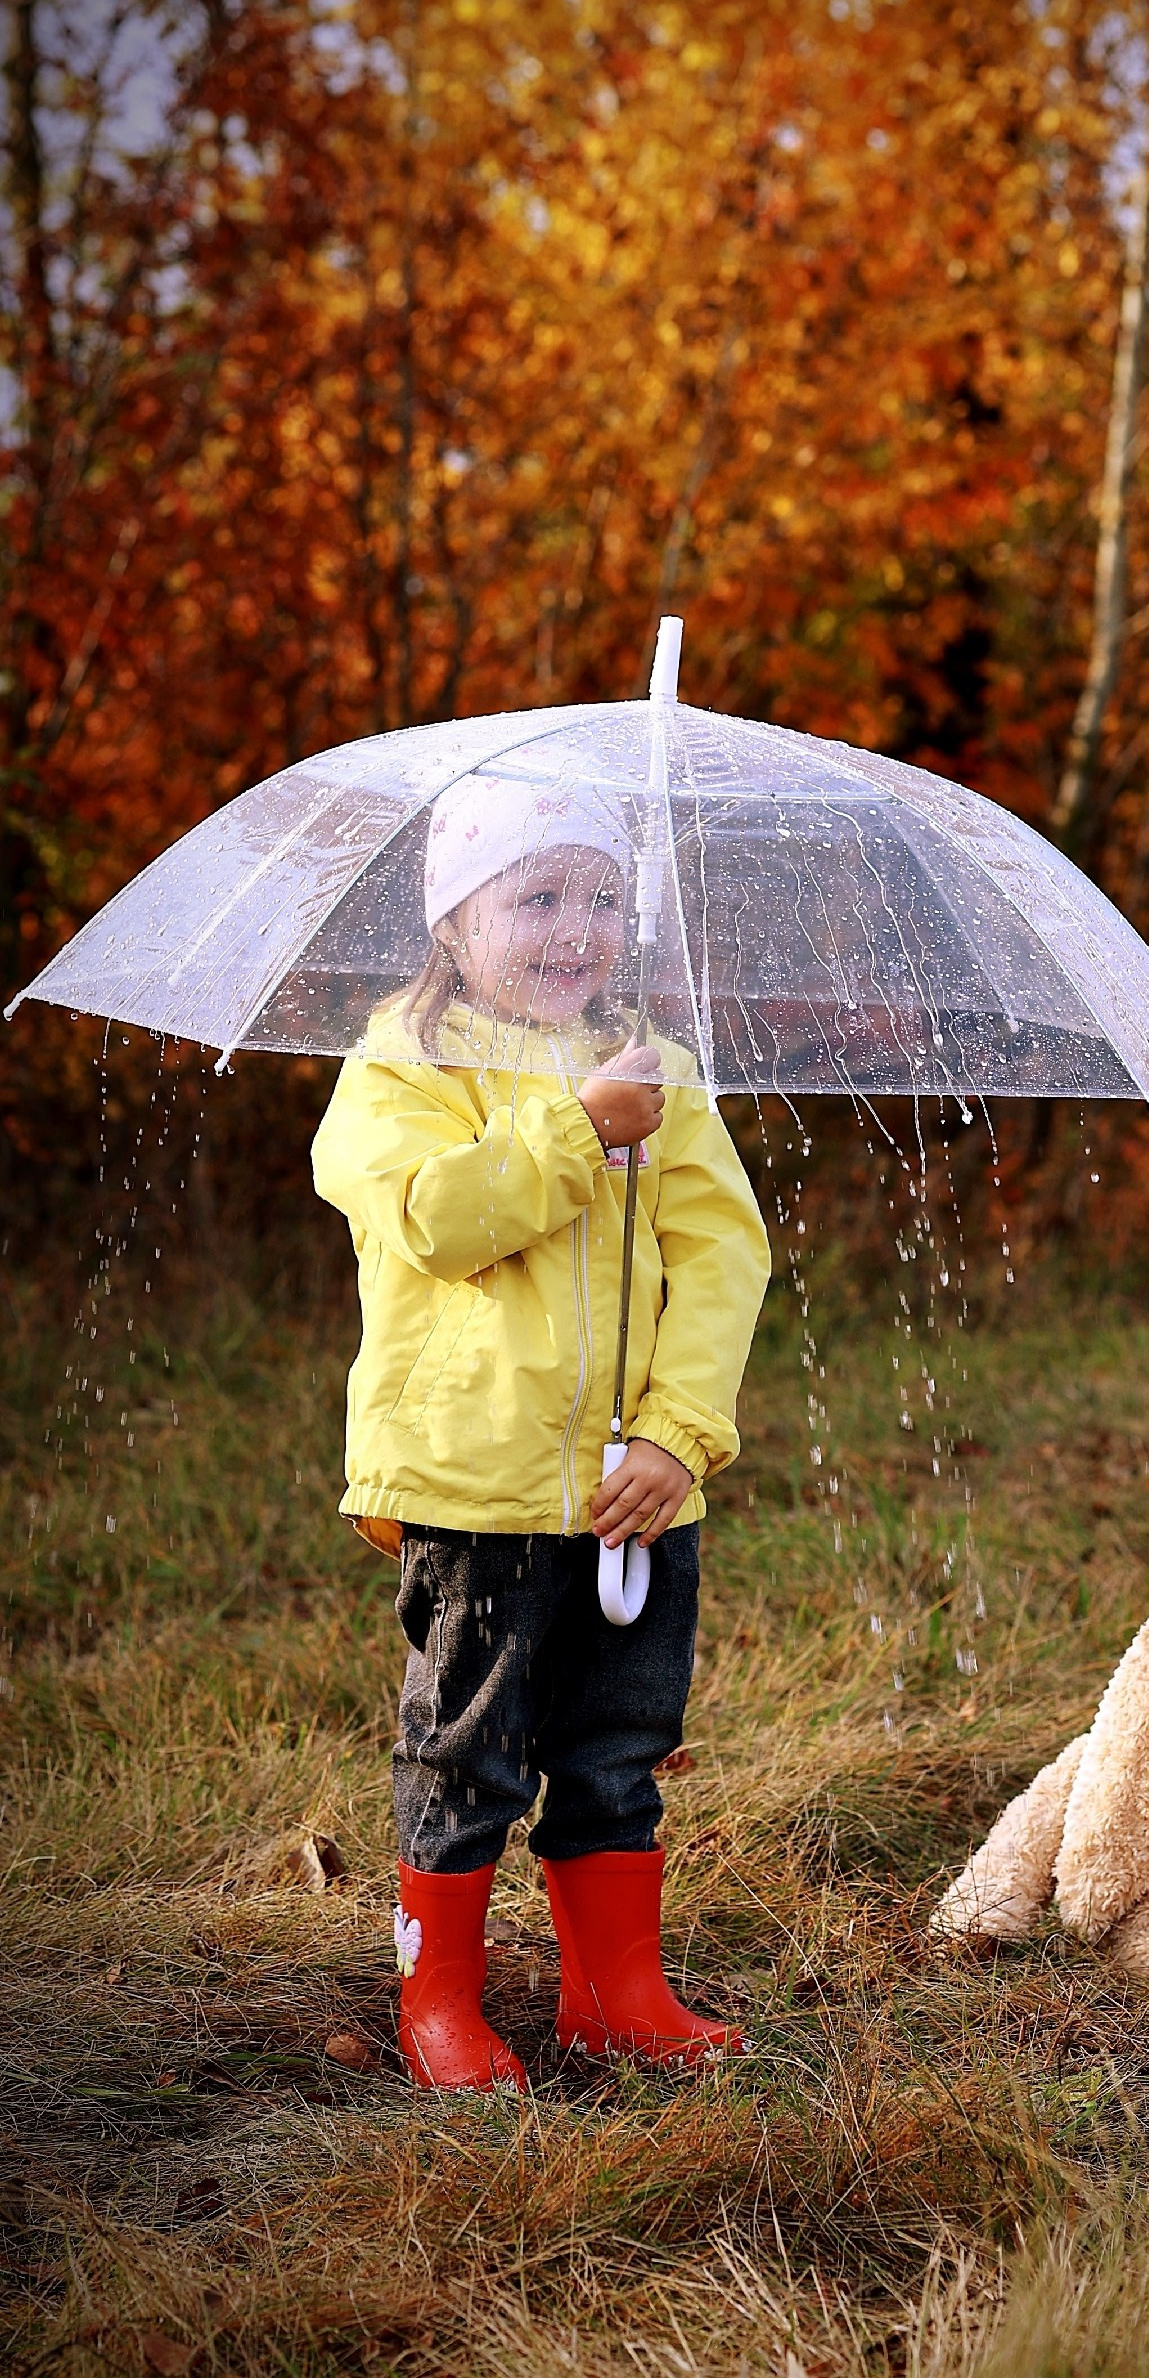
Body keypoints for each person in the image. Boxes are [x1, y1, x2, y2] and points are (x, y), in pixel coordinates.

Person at [311, 772, 771, 2089]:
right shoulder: (400, 1068)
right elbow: (432, 1221)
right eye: (539, 897)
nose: (578, 929)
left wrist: (678, 1434)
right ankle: (440, 2003)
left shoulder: (654, 1069)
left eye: (605, 899)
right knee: (470, 1751)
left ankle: (614, 1994)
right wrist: (578, 1131)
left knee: (619, 1749)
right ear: (454, 919)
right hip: (480, 1484)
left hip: (635, 1492)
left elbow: (722, 1255)